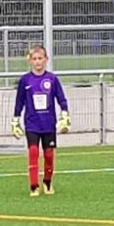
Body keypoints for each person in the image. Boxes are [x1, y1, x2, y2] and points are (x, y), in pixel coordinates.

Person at [12, 45, 71, 197]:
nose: (38, 62)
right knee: (33, 152)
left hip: (48, 123)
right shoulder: (25, 80)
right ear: (30, 60)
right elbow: (19, 101)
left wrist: (65, 113)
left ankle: (47, 182)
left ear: (46, 59)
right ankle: (34, 186)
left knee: (49, 154)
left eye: (40, 58)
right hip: (32, 123)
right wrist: (15, 119)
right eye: (34, 59)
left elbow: (61, 98)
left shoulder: (52, 79)